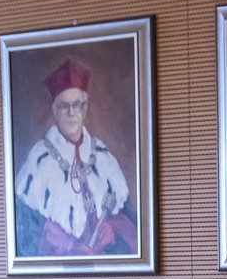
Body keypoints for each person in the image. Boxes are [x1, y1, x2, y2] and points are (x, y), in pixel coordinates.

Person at [14, 58, 136, 257]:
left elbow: (133, 232)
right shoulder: (38, 161)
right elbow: (25, 241)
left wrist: (112, 232)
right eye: (64, 106)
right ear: (55, 111)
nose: (71, 112)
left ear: (84, 109)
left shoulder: (103, 157)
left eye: (76, 105)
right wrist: (68, 247)